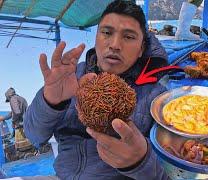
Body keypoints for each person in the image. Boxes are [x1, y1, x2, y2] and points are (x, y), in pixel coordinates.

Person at [24, 0, 170, 179]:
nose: (115, 44)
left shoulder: (158, 97)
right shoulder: (69, 75)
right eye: (107, 32)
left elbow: (169, 173)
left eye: (129, 37)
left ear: (141, 49)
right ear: (96, 37)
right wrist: (51, 101)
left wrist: (141, 161)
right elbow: (34, 136)